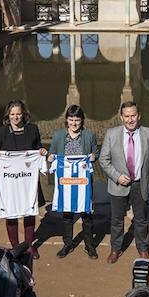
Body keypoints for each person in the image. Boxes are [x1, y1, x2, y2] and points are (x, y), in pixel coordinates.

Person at [100, 101, 149, 264]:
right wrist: (116, 176)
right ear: (121, 117)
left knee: (141, 219)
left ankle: (142, 248)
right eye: (127, 116)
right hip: (118, 184)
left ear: (139, 116)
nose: (130, 119)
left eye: (133, 115)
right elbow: (104, 160)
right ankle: (115, 248)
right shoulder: (111, 134)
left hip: (140, 183)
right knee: (116, 219)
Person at [0, 99, 47, 258]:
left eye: (18, 114)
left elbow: (38, 147)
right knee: (11, 213)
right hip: (10, 181)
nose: (16, 117)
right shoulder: (1, 132)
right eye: (13, 114)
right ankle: (15, 247)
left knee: (30, 212)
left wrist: (41, 151)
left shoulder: (32, 129)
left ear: (23, 114)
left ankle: (28, 246)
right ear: (8, 115)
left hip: (27, 180)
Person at [48, 104, 99, 260]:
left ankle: (89, 246)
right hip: (66, 181)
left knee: (87, 215)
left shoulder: (89, 135)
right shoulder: (58, 136)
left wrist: (93, 157)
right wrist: (50, 157)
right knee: (67, 214)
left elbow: (96, 152)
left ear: (82, 121)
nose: (74, 123)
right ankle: (68, 244)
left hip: (83, 181)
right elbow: (52, 153)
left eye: (77, 120)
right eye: (71, 120)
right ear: (66, 120)